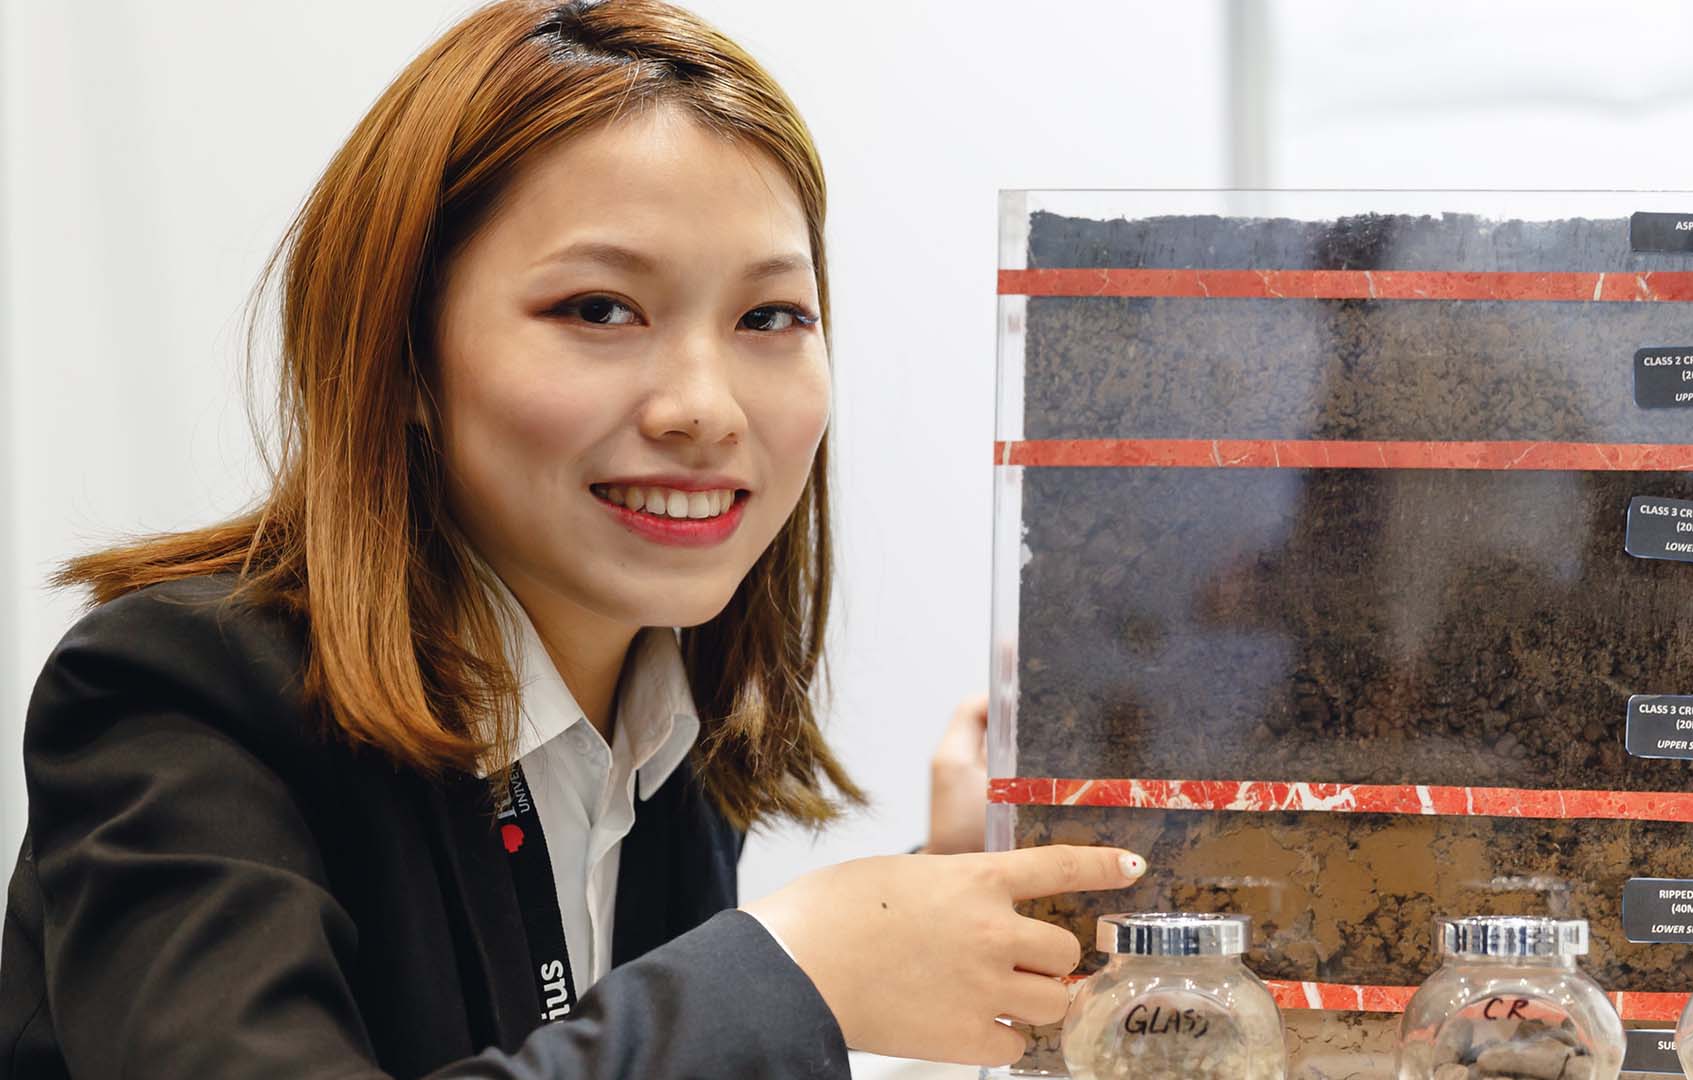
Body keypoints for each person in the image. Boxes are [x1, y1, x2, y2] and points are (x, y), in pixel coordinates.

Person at [0, 2, 1147, 1076]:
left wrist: (946, 899)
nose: (706, 409)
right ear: (403, 357)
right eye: (600, 309)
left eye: (769, 316)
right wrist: (798, 970)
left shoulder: (664, 722)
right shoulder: (176, 698)